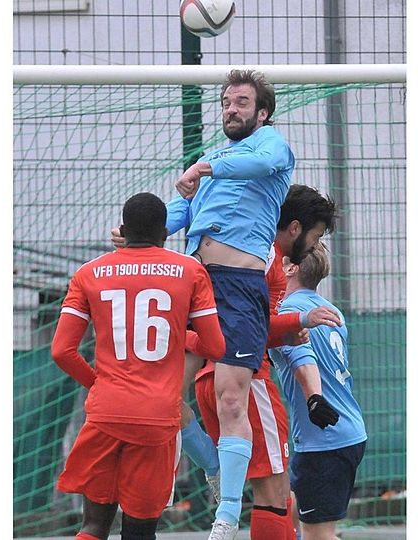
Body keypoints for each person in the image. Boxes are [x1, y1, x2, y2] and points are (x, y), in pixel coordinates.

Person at [151, 68, 295, 540]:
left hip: (238, 287)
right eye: (226, 103)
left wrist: (203, 169)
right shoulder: (211, 157)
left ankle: (228, 518)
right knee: (167, 395)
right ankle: (217, 473)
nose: (231, 110)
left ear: (262, 111)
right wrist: (143, 232)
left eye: (240, 102)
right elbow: (184, 210)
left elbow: (249, 167)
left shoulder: (273, 145)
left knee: (231, 397)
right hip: (195, 283)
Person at [51, 192, 226, 540]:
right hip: (157, 417)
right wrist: (182, 339)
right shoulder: (190, 270)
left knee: (93, 526)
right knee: (140, 530)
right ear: (165, 232)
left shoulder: (89, 273)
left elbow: (61, 351)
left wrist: (98, 383)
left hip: (106, 412)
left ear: (123, 230)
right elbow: (215, 347)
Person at [185, 185, 341, 540]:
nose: (313, 245)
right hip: (247, 382)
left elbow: (234, 324)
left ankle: (214, 471)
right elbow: (251, 328)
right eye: (315, 236)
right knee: (272, 494)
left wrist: (284, 331)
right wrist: (298, 321)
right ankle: (223, 506)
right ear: (295, 228)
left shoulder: (234, 249)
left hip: (211, 378)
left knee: (277, 491)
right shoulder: (266, 258)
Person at [268, 242, 368, 540]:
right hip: (347, 432)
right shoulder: (331, 310)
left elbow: (303, 356)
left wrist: (314, 397)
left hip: (324, 439)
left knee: (318, 535)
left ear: (290, 267)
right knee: (294, 508)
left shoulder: (288, 313)